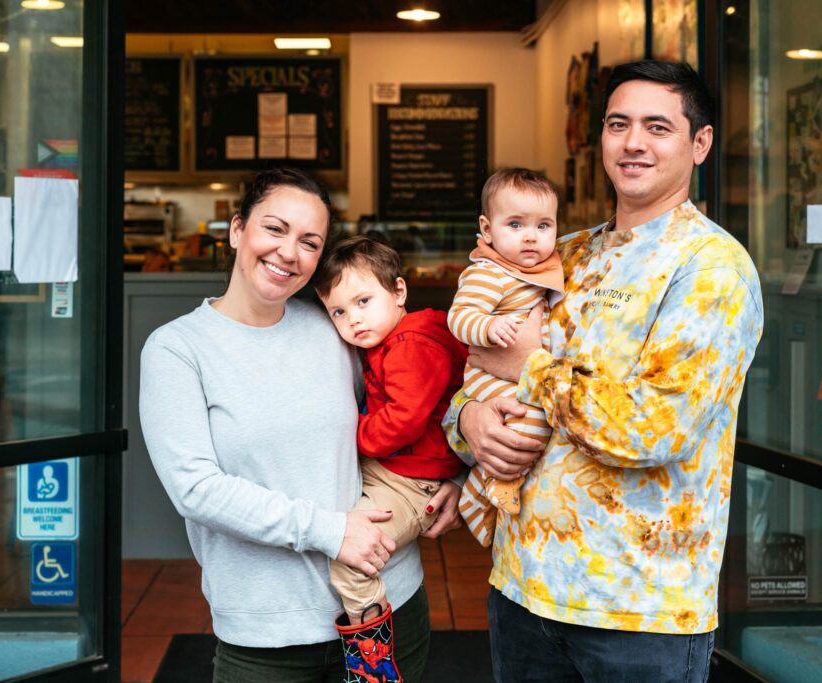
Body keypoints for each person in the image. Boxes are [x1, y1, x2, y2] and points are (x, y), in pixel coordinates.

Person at [443, 60, 764, 681]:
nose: (633, 142)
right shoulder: (562, 255)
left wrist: (529, 368)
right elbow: (474, 373)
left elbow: (653, 429)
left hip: (637, 613)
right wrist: (470, 421)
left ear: (700, 143)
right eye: (619, 124)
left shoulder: (711, 270)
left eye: (657, 127)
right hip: (523, 588)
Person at [139, 168, 462, 683]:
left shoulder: (335, 326)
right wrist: (331, 532)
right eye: (275, 229)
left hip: (390, 605)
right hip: (267, 634)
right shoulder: (178, 350)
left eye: (309, 242)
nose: (289, 252)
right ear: (236, 229)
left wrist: (451, 478)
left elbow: (419, 399)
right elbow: (195, 490)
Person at [313, 235, 467, 680]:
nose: (353, 320)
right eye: (339, 312)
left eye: (363, 301)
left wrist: (351, 438)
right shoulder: (390, 339)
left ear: (399, 292)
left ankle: (372, 665)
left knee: (352, 558)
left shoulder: (412, 345)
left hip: (412, 483)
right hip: (397, 468)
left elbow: (403, 418)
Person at [446, 168, 564, 547]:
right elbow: (459, 316)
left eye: (543, 226)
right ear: (487, 228)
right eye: (515, 224)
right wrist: (487, 328)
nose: (531, 236)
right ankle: (483, 490)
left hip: (517, 375)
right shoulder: (490, 273)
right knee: (526, 426)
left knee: (528, 428)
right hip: (489, 378)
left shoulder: (539, 269)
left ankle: (485, 488)